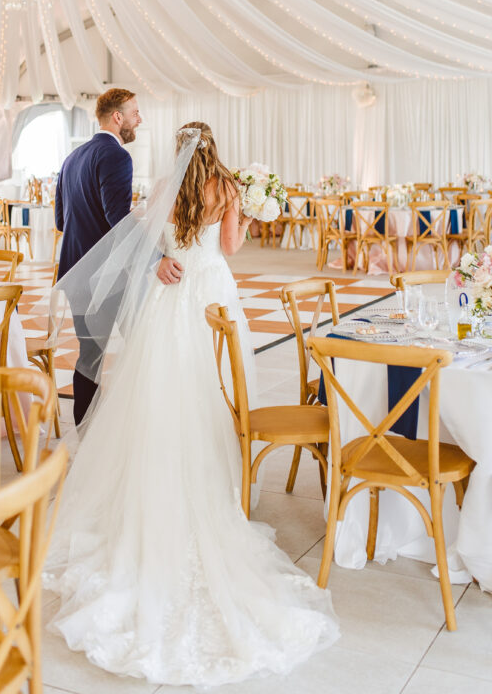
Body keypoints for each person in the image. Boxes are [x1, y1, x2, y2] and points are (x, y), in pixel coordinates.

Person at [45, 122, 338, 687]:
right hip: (210, 290)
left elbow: (145, 238)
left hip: (169, 293)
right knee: (211, 387)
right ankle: (205, 479)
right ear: (213, 147)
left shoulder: (161, 187)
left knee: (154, 387)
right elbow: (229, 247)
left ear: (178, 150)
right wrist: (249, 216)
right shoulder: (226, 187)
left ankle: (150, 476)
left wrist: (160, 260)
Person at [55, 87, 183, 424]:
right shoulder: (116, 156)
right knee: (143, 346)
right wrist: (156, 259)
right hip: (108, 276)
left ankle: (85, 431)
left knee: (89, 356)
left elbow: (60, 220)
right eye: (135, 112)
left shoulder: (72, 159)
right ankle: (144, 424)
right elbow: (117, 218)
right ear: (118, 117)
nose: (139, 119)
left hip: (74, 274)